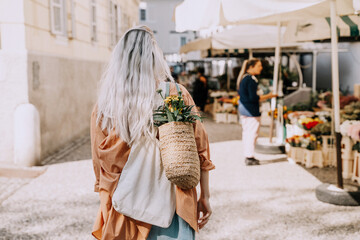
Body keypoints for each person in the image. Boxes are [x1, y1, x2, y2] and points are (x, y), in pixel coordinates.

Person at [90, 26, 215, 240]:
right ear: (155, 57)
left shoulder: (105, 108)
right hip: (175, 202)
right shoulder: (175, 95)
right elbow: (199, 149)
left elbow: (102, 166)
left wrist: (104, 206)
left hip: (125, 206)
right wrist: (205, 196)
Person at [236, 59, 277, 166]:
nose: (261, 68)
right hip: (251, 111)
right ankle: (249, 157)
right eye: (259, 66)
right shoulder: (251, 79)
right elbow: (253, 97)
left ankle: (248, 154)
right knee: (252, 134)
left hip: (244, 110)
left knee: (247, 133)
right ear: (251, 67)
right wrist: (270, 95)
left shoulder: (243, 78)